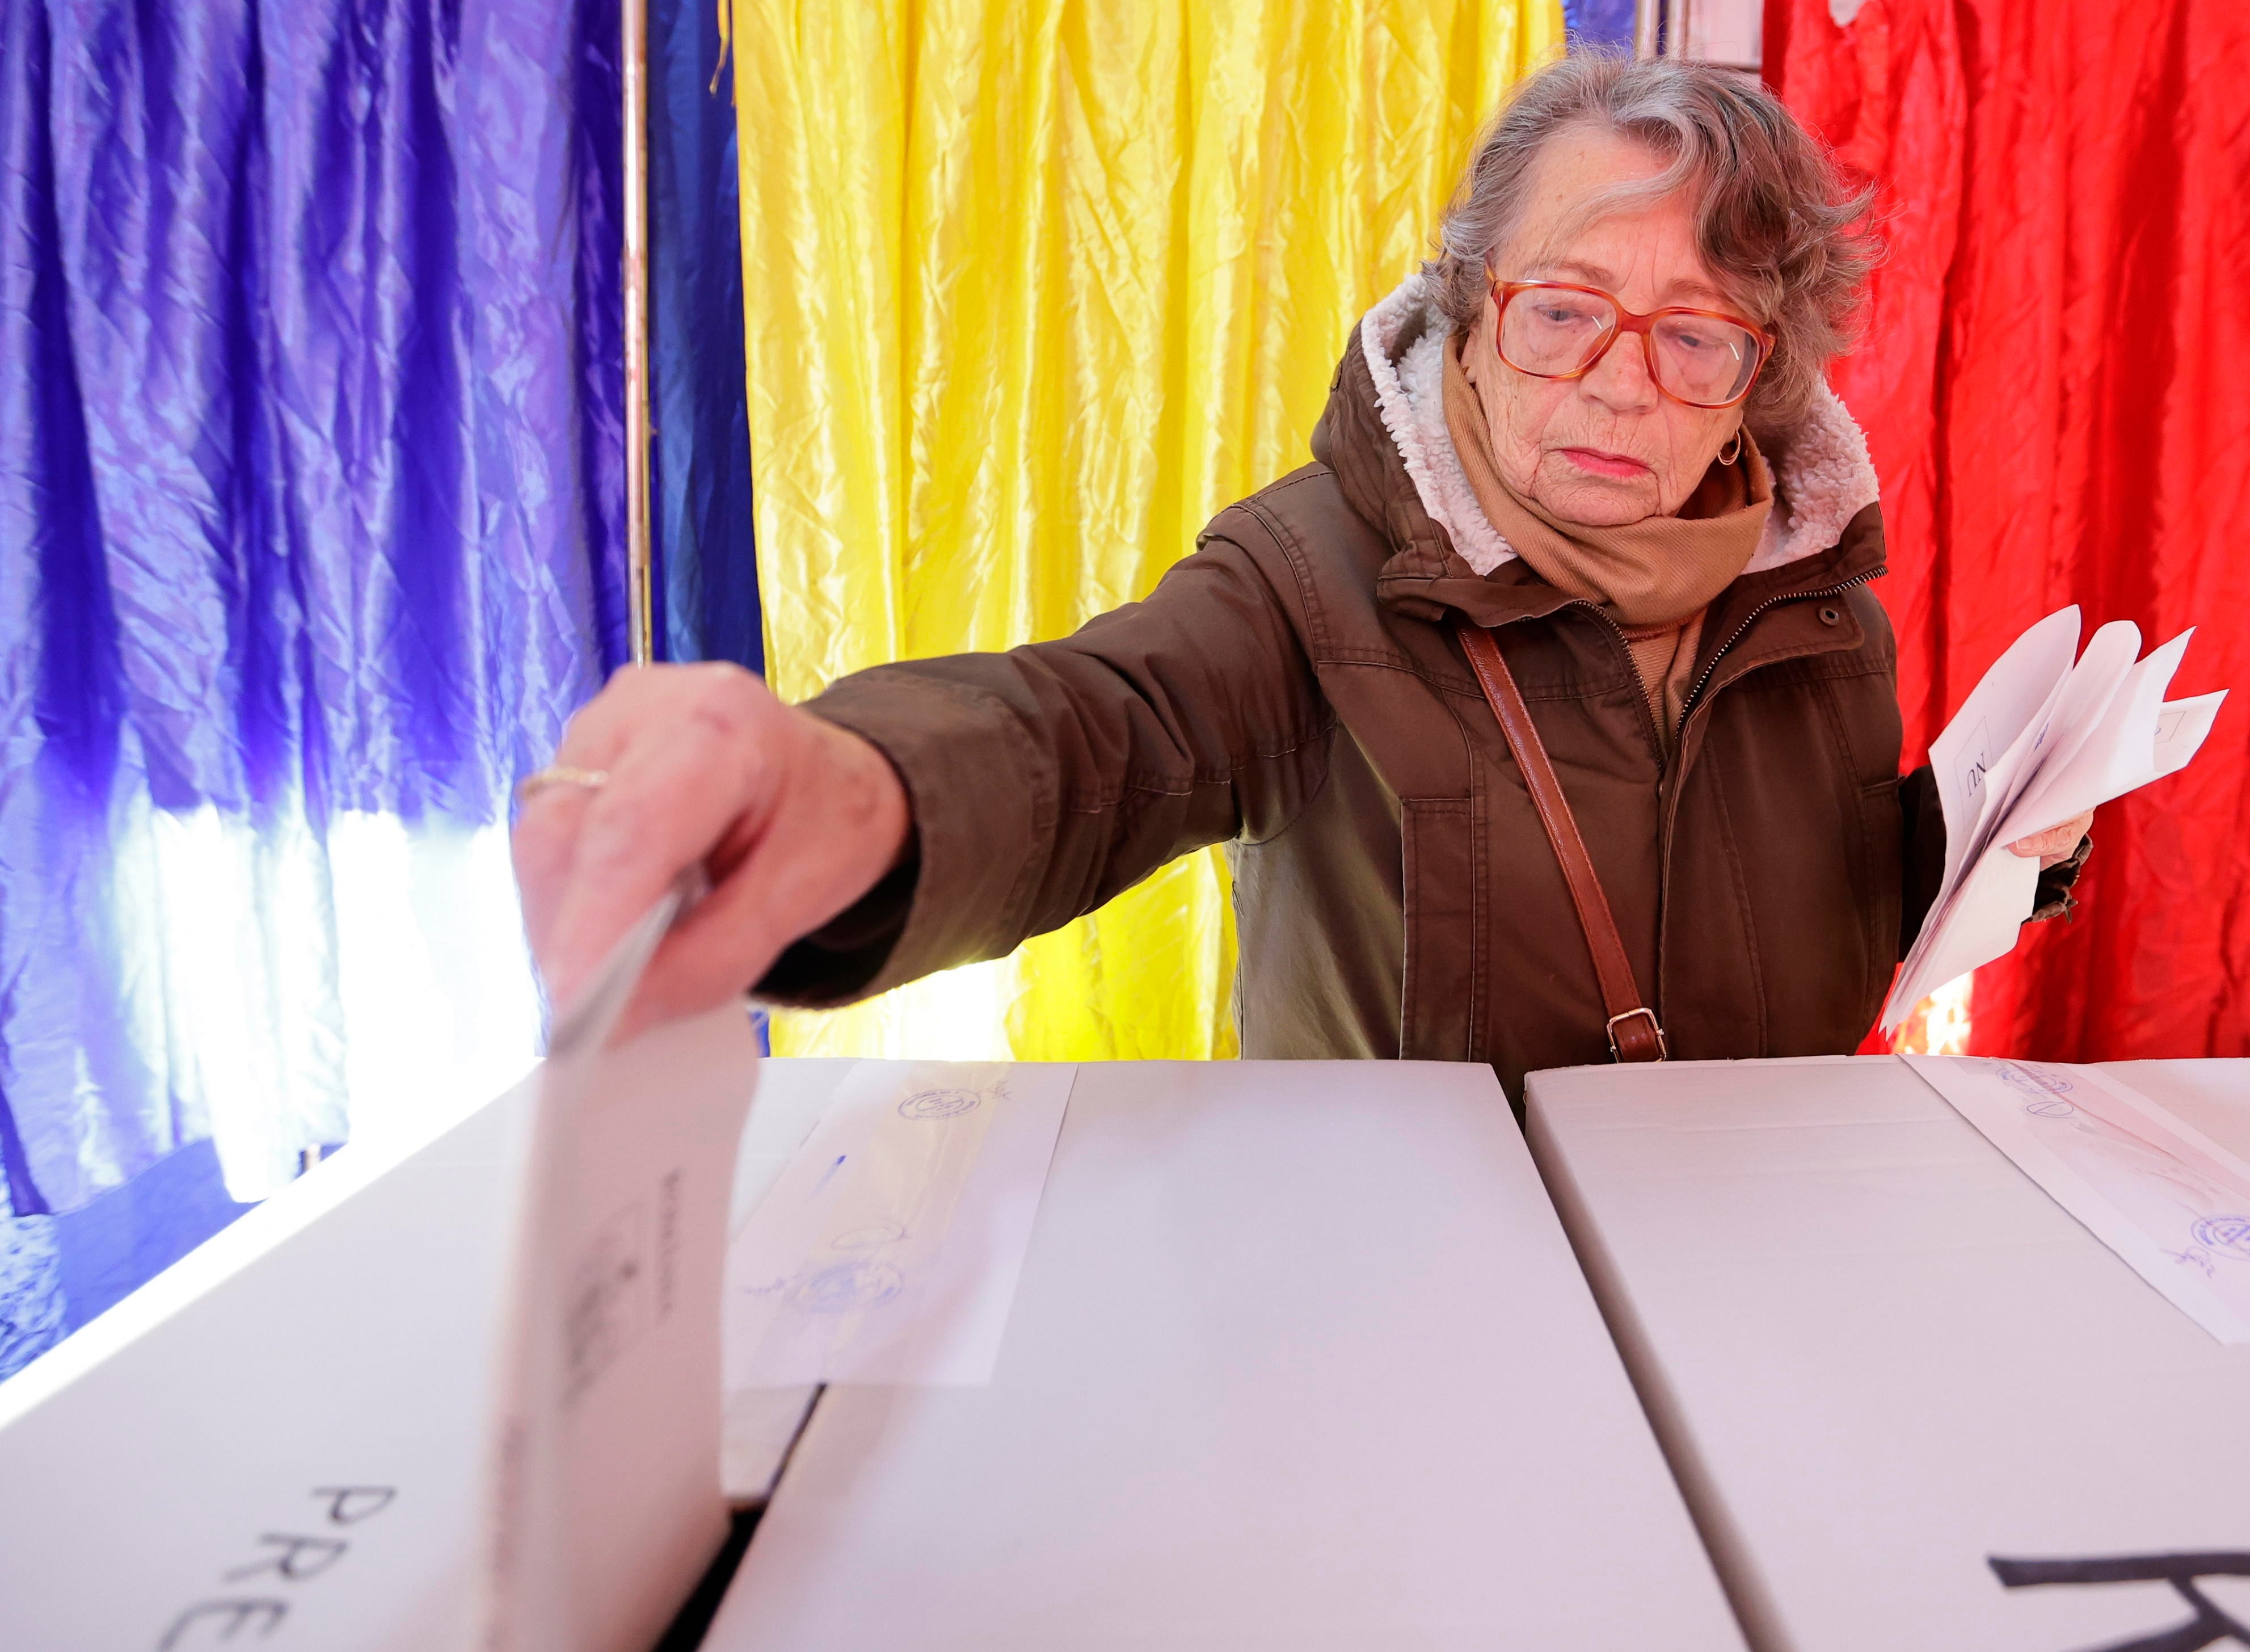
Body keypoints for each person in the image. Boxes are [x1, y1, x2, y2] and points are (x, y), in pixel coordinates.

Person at [514, 54, 2091, 1094]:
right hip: (1405, 1315)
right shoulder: (1314, 574)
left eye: (1694, 335)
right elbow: (1098, 731)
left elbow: (1788, 916)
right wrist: (865, 791)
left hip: (1737, 1298)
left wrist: (1988, 850)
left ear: (1765, 379)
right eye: (1562, 308)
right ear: (1473, 309)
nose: (1621, 381)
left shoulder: (1819, 609)